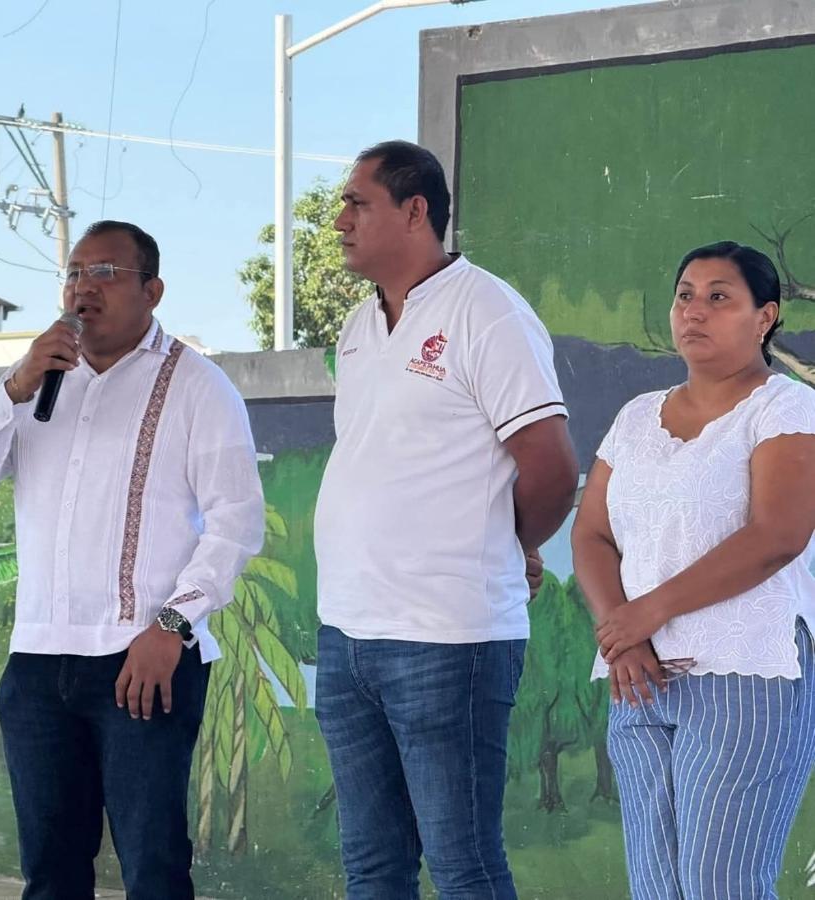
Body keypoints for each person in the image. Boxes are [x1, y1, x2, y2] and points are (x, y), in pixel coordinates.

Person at [0, 220, 264, 900]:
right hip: (37, 664)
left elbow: (236, 523)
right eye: (73, 274)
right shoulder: (37, 383)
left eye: (105, 273)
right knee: (50, 873)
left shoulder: (198, 385)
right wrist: (15, 385)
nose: (83, 288)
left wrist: (171, 626)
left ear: (153, 291)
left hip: (143, 659)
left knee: (153, 870)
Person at [313, 140, 578, 899]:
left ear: (415, 210)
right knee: (373, 868)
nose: (340, 220)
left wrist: (507, 543)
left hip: (448, 637)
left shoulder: (487, 311)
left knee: (463, 867)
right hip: (347, 634)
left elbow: (552, 468)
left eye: (357, 202)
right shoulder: (358, 327)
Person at [571, 241, 815, 899]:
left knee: (720, 885)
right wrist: (620, 635)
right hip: (638, 679)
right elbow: (591, 533)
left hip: (746, 673)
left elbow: (778, 535)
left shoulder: (784, 408)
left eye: (718, 297)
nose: (694, 311)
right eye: (685, 295)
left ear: (765, 317)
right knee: (657, 887)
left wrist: (645, 614)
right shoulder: (634, 419)